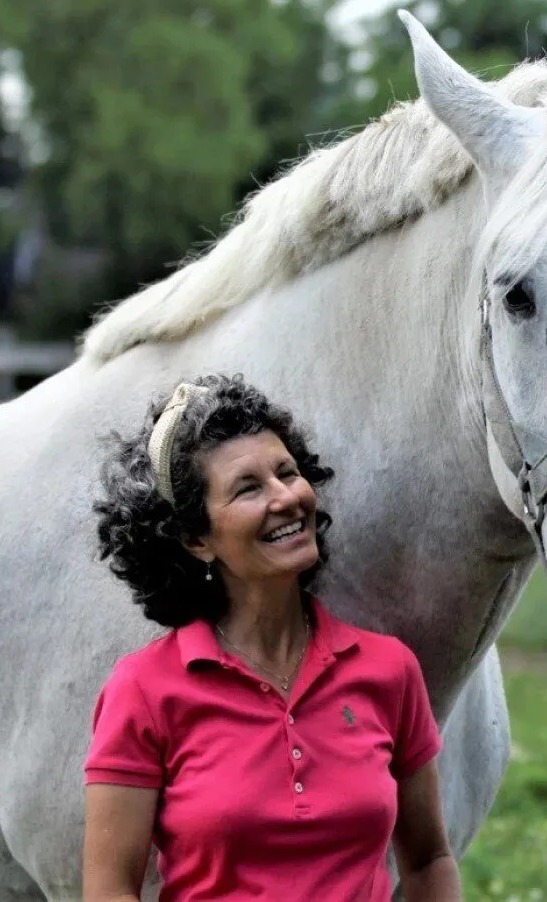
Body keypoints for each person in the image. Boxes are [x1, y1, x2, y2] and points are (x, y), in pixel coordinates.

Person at [84, 374, 461, 902]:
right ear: (196, 540)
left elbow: (428, 861)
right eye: (249, 488)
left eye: (288, 473)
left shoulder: (389, 670)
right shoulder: (144, 690)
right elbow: (110, 891)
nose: (286, 498)